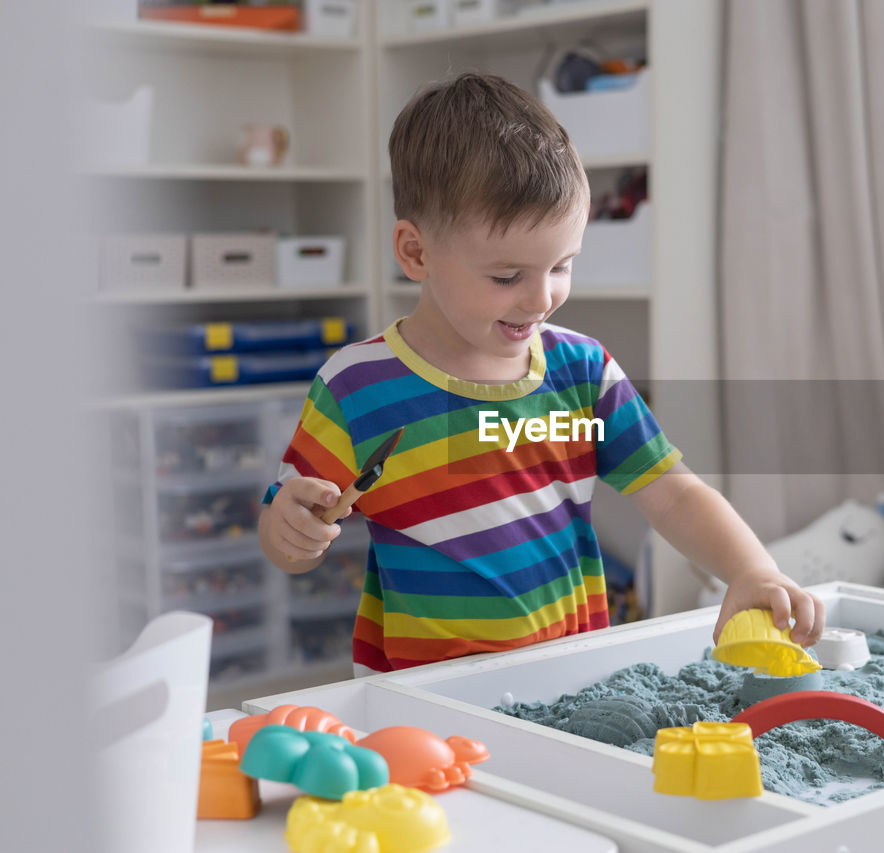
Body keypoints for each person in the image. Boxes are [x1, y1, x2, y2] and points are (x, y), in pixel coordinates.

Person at [257, 72, 824, 674]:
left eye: (562, 265)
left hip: (572, 678)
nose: (541, 298)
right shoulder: (356, 386)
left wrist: (751, 570)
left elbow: (672, 493)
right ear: (415, 253)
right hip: (423, 697)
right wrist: (290, 527)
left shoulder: (582, 370)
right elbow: (288, 542)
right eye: (507, 277)